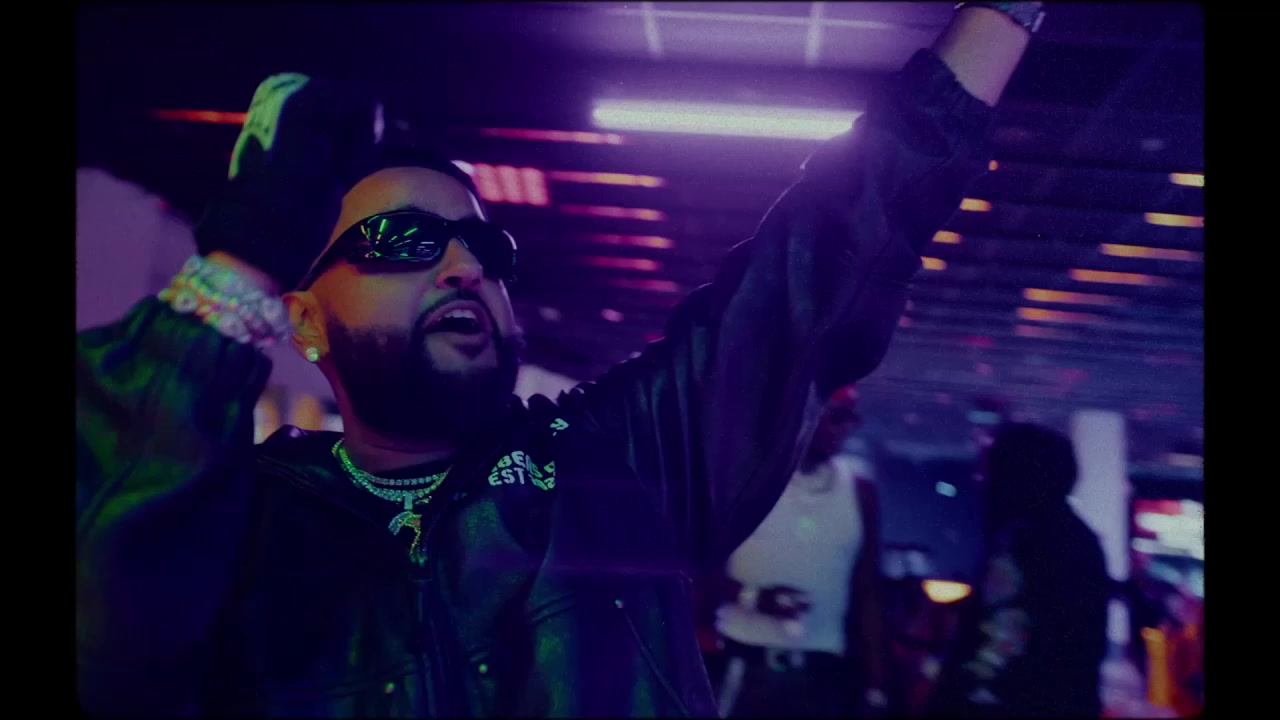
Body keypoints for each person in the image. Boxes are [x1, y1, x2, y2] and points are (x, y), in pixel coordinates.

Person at [76, 4, 1040, 716]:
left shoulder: (613, 469)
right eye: (405, 242)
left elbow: (819, 260)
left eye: (483, 247)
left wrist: (1004, 12)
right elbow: (106, 597)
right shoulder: (239, 525)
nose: (462, 265)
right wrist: (238, 260)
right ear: (304, 321)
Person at [705, 386, 888, 718]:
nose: (843, 429)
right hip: (743, 662)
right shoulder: (743, 480)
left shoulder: (860, 492)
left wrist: (877, 687)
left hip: (818, 674)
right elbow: (696, 572)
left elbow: (868, 591)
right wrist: (754, 598)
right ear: (802, 414)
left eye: (849, 418)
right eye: (836, 416)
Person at [928, 423, 1110, 718]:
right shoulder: (1080, 541)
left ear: (1017, 475)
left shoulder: (1019, 542)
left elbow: (990, 639)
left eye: (990, 471)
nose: (981, 481)